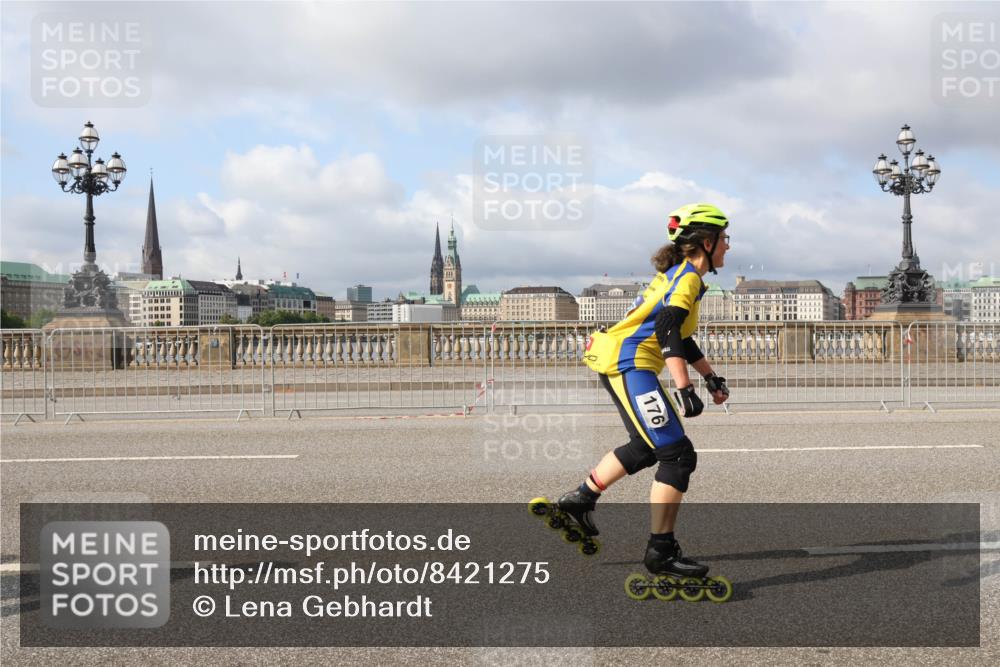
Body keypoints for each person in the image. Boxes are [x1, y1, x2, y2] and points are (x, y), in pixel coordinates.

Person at [566, 202, 732, 578]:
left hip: (625, 362)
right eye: (725, 239)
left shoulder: (680, 275)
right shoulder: (686, 277)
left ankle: (580, 499)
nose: (728, 246)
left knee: (646, 446)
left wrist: (709, 377)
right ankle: (661, 551)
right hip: (629, 364)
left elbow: (682, 338)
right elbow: (668, 329)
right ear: (707, 242)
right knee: (677, 455)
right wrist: (684, 386)